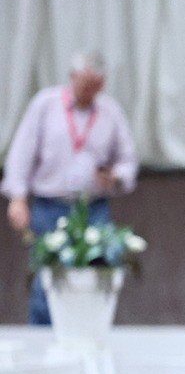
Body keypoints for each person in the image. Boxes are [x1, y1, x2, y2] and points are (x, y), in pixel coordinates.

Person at [3, 51, 139, 324]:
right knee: (48, 280)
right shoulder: (45, 104)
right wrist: (17, 197)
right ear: (72, 77)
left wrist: (116, 177)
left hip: (93, 208)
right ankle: (42, 341)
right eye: (84, 83)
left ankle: (91, 333)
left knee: (99, 276)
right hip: (50, 205)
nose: (88, 91)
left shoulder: (110, 112)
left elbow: (128, 160)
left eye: (95, 86)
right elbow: (22, 152)